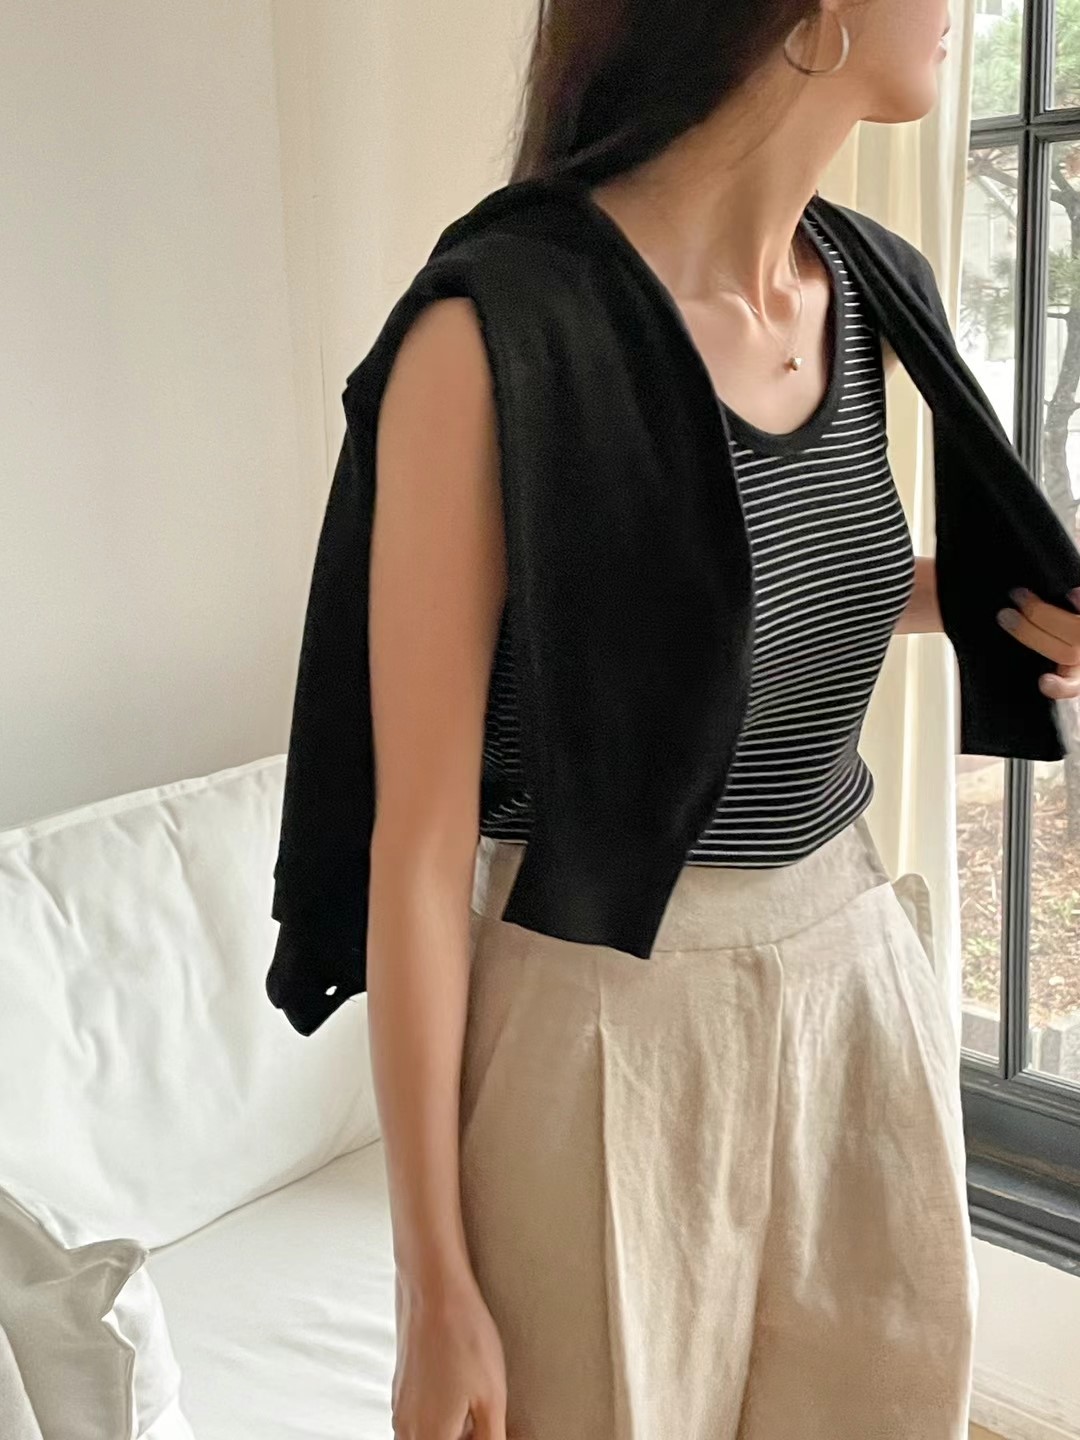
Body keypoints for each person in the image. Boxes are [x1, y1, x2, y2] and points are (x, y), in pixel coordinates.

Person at [358, 3, 1080, 1438]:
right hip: (603, 1003)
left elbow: (757, 588)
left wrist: (1006, 605)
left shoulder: (866, 289)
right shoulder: (498, 331)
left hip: (852, 972)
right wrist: (434, 1282)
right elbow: (420, 848)